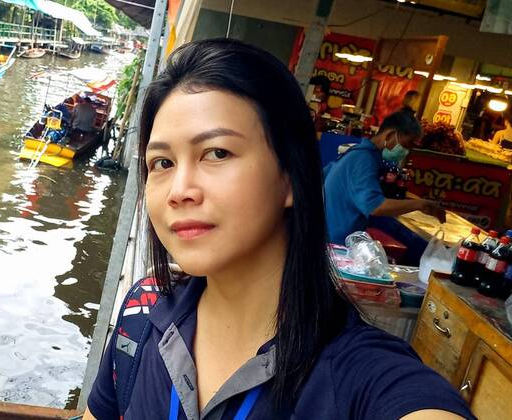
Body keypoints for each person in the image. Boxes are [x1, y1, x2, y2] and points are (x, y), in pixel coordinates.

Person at [85, 39, 472, 420]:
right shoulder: (143, 311)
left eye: (217, 153)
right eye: (162, 163)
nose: (179, 191)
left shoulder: (358, 376)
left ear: (290, 176)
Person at [323, 110, 446, 244]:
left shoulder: (359, 153)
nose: (407, 151)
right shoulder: (363, 159)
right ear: (391, 135)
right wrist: (419, 204)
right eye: (407, 144)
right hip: (334, 244)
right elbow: (376, 207)